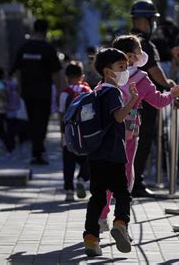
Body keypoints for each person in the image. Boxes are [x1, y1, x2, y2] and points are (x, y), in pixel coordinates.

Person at [98, 35, 179, 231]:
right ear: (130, 57)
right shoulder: (142, 78)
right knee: (126, 174)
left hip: (107, 133)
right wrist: (172, 94)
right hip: (130, 132)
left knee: (106, 174)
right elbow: (158, 101)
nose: (142, 55)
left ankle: (101, 216)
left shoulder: (107, 76)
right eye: (139, 51)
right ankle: (121, 221)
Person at [83, 48, 137, 257]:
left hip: (95, 155)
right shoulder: (112, 92)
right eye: (121, 67)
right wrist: (132, 99)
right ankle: (120, 223)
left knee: (97, 197)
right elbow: (119, 117)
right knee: (122, 193)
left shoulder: (96, 92)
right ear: (108, 72)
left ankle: (91, 238)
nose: (125, 71)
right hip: (113, 154)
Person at [130, 0, 175, 197]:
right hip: (145, 102)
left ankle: (129, 181)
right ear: (146, 20)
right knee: (142, 141)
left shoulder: (126, 41)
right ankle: (136, 182)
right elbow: (155, 71)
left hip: (127, 102)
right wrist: (169, 85)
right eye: (152, 19)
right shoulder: (145, 44)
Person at [10, 19, 62, 165]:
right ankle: (38, 153)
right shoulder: (48, 49)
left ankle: (36, 152)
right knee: (42, 122)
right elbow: (56, 73)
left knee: (33, 122)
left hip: (27, 92)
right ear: (46, 31)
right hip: (44, 92)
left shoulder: (24, 47)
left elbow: (16, 70)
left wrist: (20, 89)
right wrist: (58, 92)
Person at [59, 61, 91, 202]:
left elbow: (61, 115)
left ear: (67, 77)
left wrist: (62, 135)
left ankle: (69, 191)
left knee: (68, 164)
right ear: (82, 76)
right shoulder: (89, 92)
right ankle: (82, 179)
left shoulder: (64, 94)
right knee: (88, 161)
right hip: (86, 135)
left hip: (69, 135)